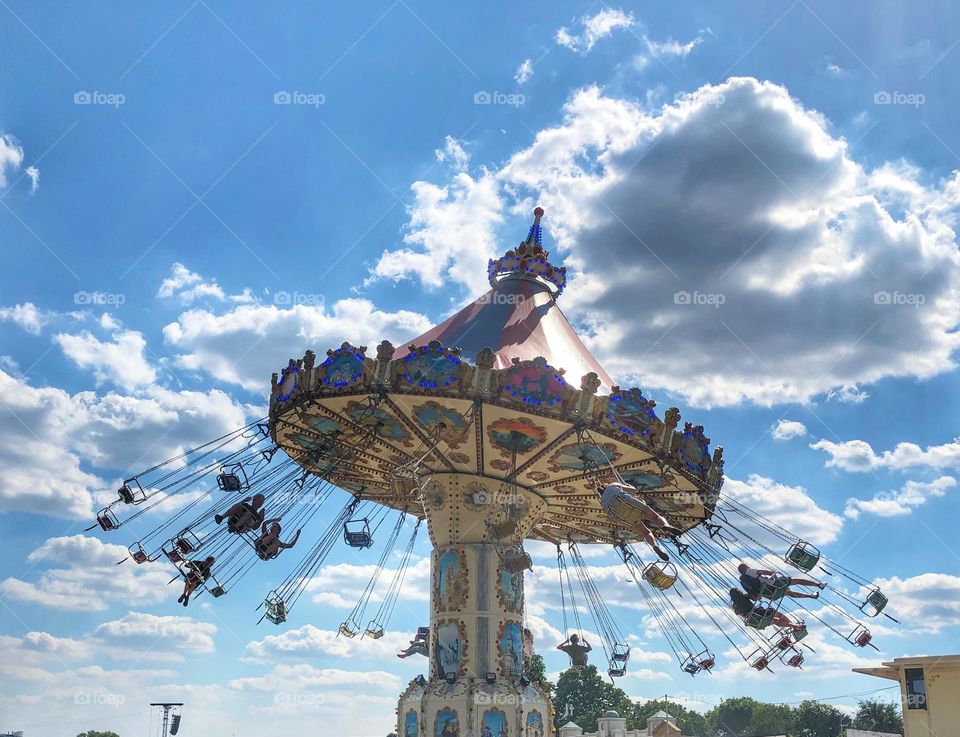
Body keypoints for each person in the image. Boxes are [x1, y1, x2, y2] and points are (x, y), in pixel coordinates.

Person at [599, 483, 679, 562]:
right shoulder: (612, 485)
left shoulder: (602, 502)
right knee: (656, 518)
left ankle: (654, 546)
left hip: (624, 518)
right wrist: (629, 485)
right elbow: (634, 490)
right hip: (630, 504)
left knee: (646, 533)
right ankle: (665, 525)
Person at [737, 563, 825, 601]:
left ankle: (810, 596)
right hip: (773, 585)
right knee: (794, 581)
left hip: (770, 595)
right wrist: (775, 577)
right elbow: (767, 572)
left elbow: (756, 597)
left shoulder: (744, 583)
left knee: (788, 593)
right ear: (746, 567)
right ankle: (818, 585)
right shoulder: (750, 571)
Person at [728, 588, 804, 631]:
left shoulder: (735, 606)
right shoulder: (745, 597)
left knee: (775, 621)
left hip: (753, 620)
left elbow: (740, 614)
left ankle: (794, 626)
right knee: (777, 614)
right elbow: (757, 598)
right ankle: (795, 625)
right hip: (759, 613)